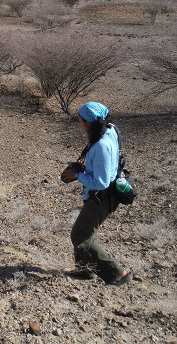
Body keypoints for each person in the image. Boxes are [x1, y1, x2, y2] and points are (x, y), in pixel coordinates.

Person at [62, 102, 132, 286]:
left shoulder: (101, 145)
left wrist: (77, 175)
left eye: (81, 120)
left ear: (88, 122)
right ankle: (85, 270)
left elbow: (101, 182)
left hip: (102, 197)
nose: (80, 123)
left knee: (80, 236)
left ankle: (118, 273)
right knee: (87, 231)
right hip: (105, 195)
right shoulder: (110, 129)